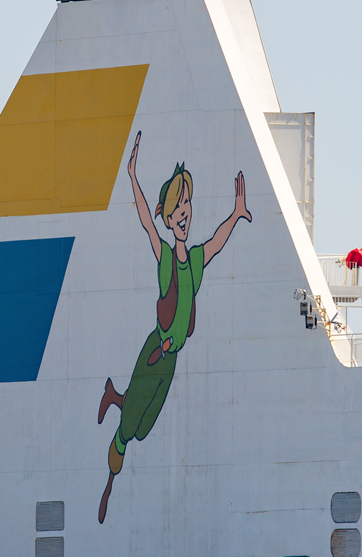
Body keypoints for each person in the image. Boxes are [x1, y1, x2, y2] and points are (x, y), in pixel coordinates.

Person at [97, 131, 252, 523]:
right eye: (177, 206)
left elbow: (215, 242)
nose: (184, 211)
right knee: (130, 427)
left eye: (187, 203)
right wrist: (132, 175)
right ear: (169, 217)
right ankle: (110, 479)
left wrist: (235, 213)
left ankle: (115, 395)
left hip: (170, 360)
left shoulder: (195, 261)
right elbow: (146, 222)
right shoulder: (166, 258)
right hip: (154, 353)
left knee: (146, 426)